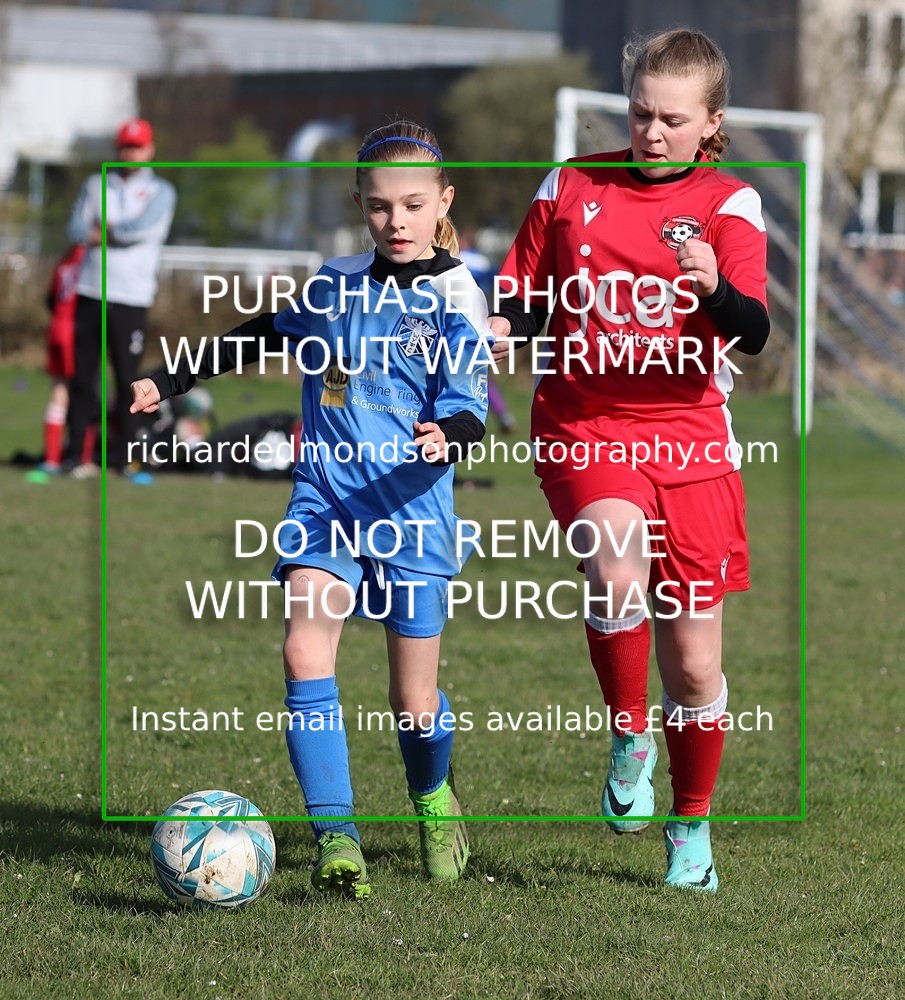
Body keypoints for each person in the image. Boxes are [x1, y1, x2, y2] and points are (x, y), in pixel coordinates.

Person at [130, 121, 491, 899]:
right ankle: (337, 838)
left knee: (413, 701)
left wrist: (446, 436)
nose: (395, 221)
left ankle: (432, 797)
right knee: (302, 651)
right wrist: (173, 377)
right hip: (325, 498)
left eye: (413, 205)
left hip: (410, 511)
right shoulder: (335, 282)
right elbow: (261, 330)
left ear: (443, 203)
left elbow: (472, 409)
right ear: (359, 204)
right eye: (379, 206)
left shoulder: (456, 296)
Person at [489, 28, 769, 892]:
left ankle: (690, 825)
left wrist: (708, 287)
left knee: (694, 665)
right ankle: (627, 733)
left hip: (689, 440)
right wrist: (499, 325)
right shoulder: (571, 184)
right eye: (639, 113)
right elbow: (522, 298)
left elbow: (752, 333)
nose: (650, 132)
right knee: (614, 568)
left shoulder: (732, 203)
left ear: (709, 123)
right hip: (586, 421)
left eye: (670, 119)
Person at [66, 118, 176, 479]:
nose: (131, 153)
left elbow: (137, 231)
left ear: (150, 149)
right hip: (90, 291)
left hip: (131, 297)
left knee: (130, 380)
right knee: (82, 378)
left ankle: (128, 460)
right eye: (126, 146)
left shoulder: (161, 191)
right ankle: (76, 457)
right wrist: (103, 232)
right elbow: (75, 230)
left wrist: (104, 230)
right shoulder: (96, 184)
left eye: (138, 146)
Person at [25, 243, 92, 484]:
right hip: (76, 330)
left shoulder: (65, 259)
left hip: (56, 327)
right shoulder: (92, 259)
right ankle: (82, 459)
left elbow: (51, 298)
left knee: (59, 391)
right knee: (86, 391)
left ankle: (52, 459)